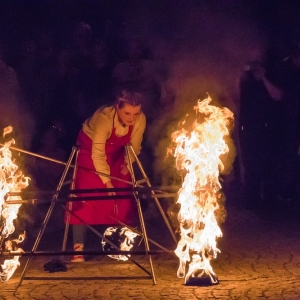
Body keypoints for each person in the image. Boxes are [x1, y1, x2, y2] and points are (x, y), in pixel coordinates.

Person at [66, 89, 146, 262]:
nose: (131, 118)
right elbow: (97, 153)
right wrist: (107, 182)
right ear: (117, 107)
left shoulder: (140, 119)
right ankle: (78, 250)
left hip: (117, 154)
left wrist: (127, 162)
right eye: (127, 113)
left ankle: (121, 244)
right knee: (86, 197)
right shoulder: (104, 117)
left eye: (135, 113)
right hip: (90, 152)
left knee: (123, 194)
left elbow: (135, 146)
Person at [239, 58, 284, 214]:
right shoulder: (245, 80)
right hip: (249, 129)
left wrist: (263, 78)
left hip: (269, 129)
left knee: (270, 165)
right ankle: (252, 201)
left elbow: (278, 96)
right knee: (251, 166)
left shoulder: (271, 75)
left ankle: (271, 201)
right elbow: (235, 98)